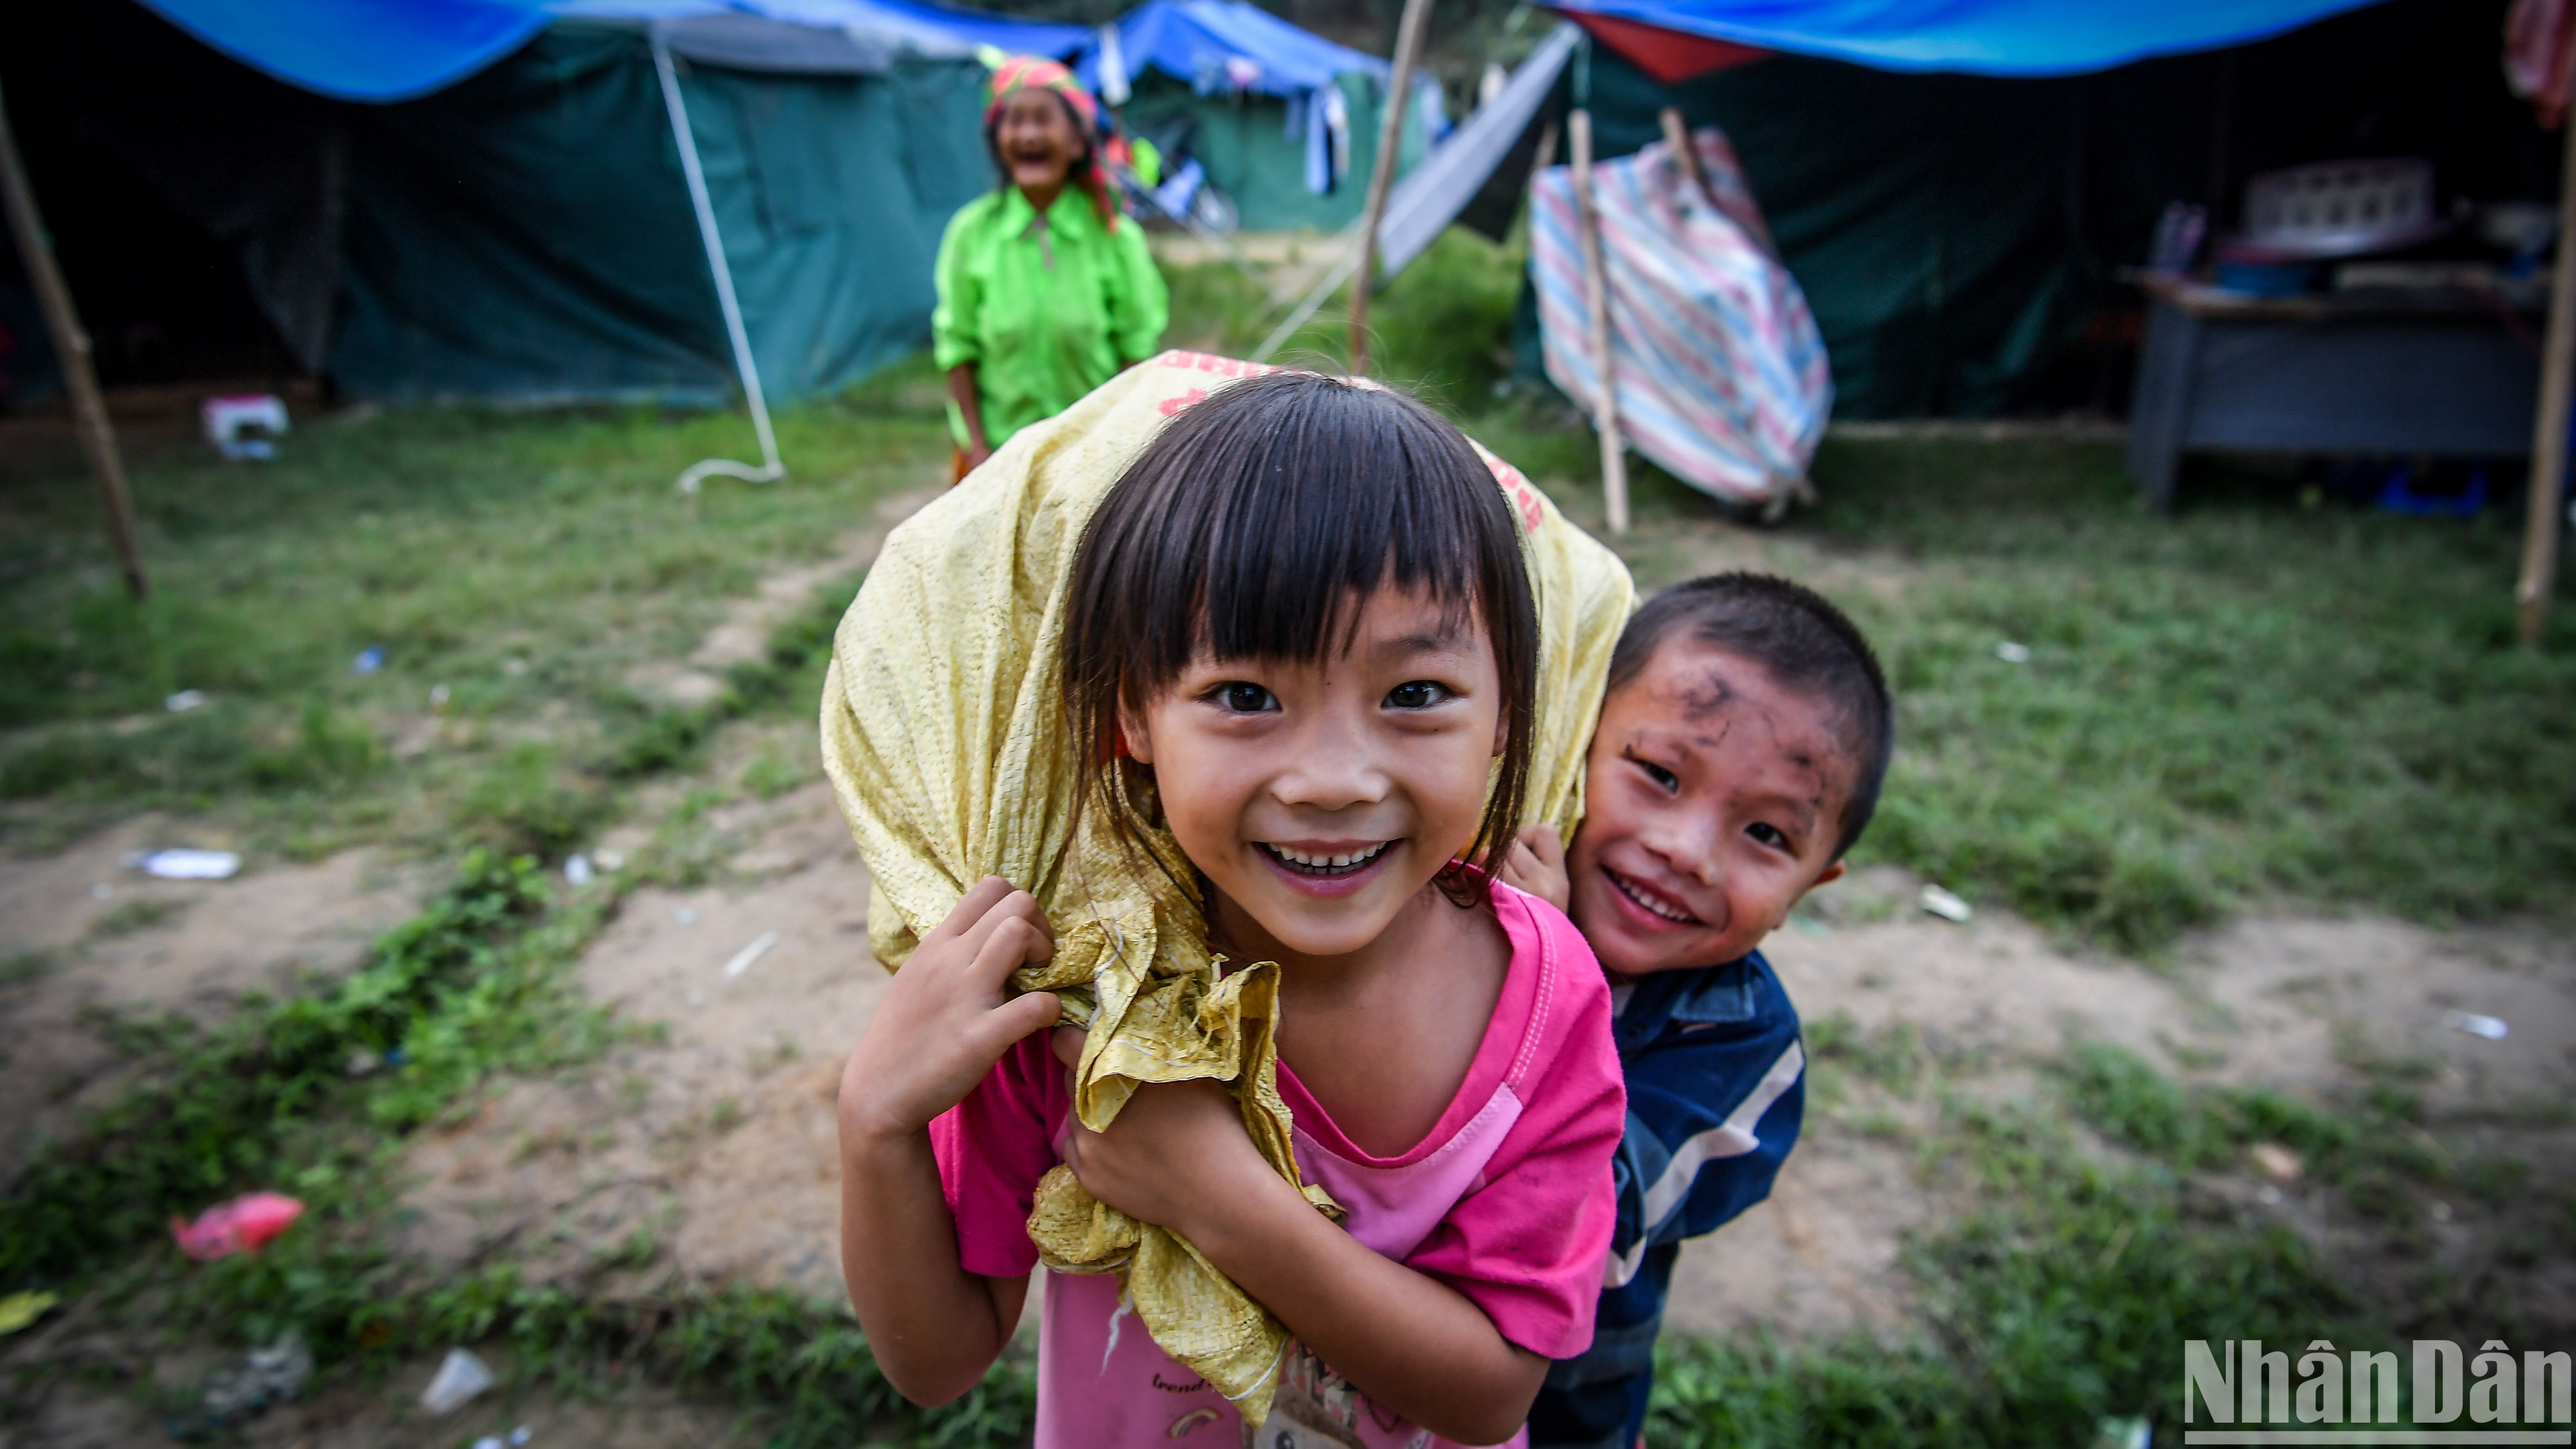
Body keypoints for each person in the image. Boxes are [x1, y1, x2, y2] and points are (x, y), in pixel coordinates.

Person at [834, 372, 1627, 1447]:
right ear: (1131, 715)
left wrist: (1211, 1192)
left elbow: (1489, 1394)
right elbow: (936, 1360)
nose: (1333, 778)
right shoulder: (1074, 1000)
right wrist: (876, 1122)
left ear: (1505, 713)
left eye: (1414, 695)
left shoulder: (1544, 996)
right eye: (1246, 696)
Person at [1500, 573, 1895, 1449]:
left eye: (1766, 835)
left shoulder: (1743, 1047)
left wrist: (1546, 975)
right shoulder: (1467, 886)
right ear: (1575, 743)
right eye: (1657, 773)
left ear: (1810, 884)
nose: (1684, 851)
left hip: (1550, 1419)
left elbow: (1576, 1227)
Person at [934, 56, 1167, 483]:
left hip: (1093, 461)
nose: (1028, 134)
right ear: (997, 140)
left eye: (1044, 119)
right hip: (995, 463)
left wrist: (1117, 453)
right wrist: (980, 452)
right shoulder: (971, 234)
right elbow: (957, 350)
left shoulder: (1115, 237)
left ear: (1078, 141)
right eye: (1014, 120)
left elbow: (1136, 355)